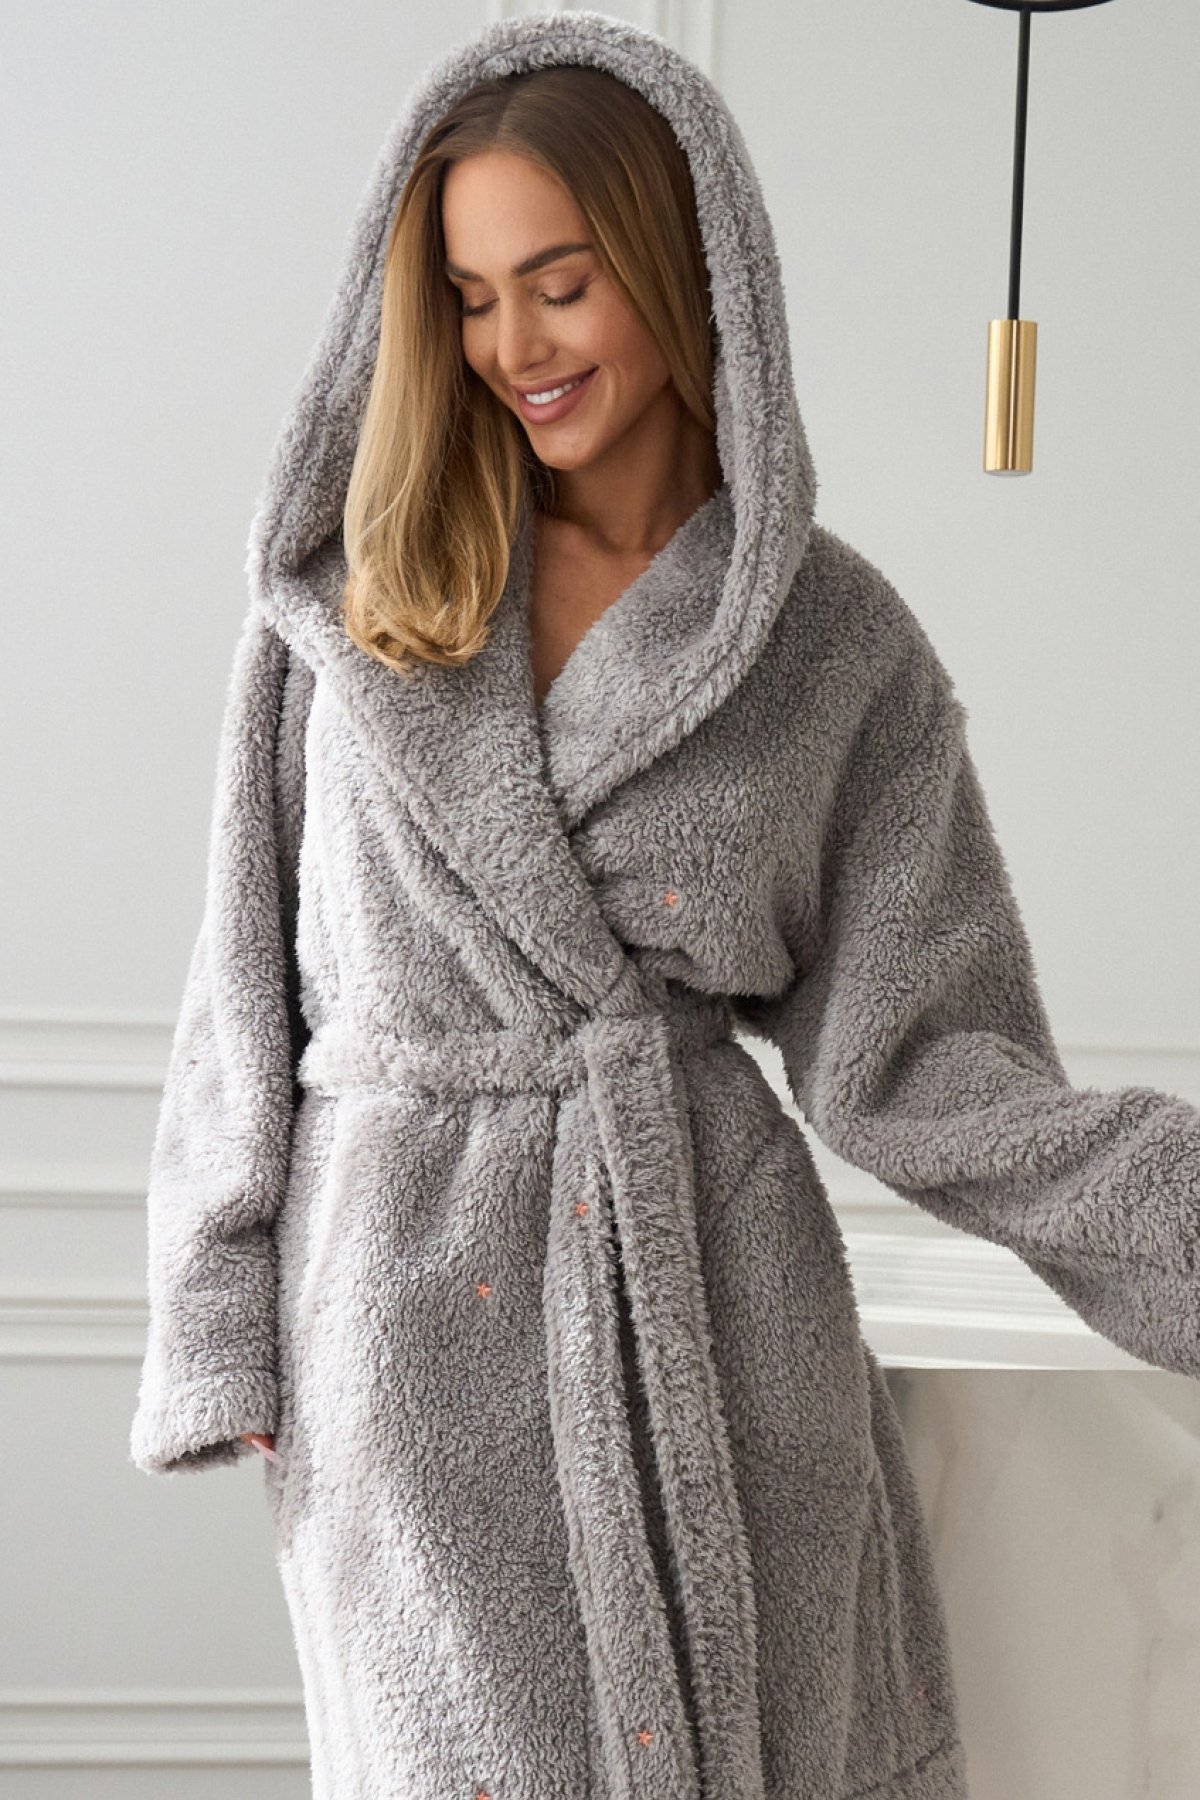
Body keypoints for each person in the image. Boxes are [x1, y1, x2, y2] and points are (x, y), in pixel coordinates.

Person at [130, 15, 1200, 1800]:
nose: (516, 347)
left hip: (722, 1317)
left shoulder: (833, 648)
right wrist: (216, 1311)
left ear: (690, 270)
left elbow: (929, 1064)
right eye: (473, 298)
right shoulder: (355, 605)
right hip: (407, 1334)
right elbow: (242, 992)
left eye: (562, 284)